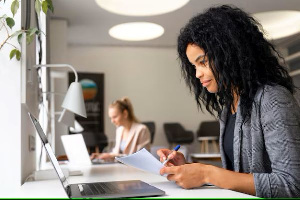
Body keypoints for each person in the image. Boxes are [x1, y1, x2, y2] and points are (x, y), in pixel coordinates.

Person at [157, 5, 300, 198]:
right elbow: (238, 173)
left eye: (203, 62)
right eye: (193, 66)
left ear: (230, 53)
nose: (197, 74)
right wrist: (190, 169)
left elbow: (292, 184)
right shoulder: (228, 108)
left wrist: (207, 173)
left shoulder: (273, 99)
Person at [91, 97, 151, 161]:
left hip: (135, 169)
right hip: (121, 167)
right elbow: (116, 153)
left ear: (125, 113)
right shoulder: (119, 130)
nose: (112, 121)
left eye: (114, 117)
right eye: (110, 118)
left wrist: (113, 156)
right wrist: (102, 156)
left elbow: (142, 157)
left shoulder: (142, 130)